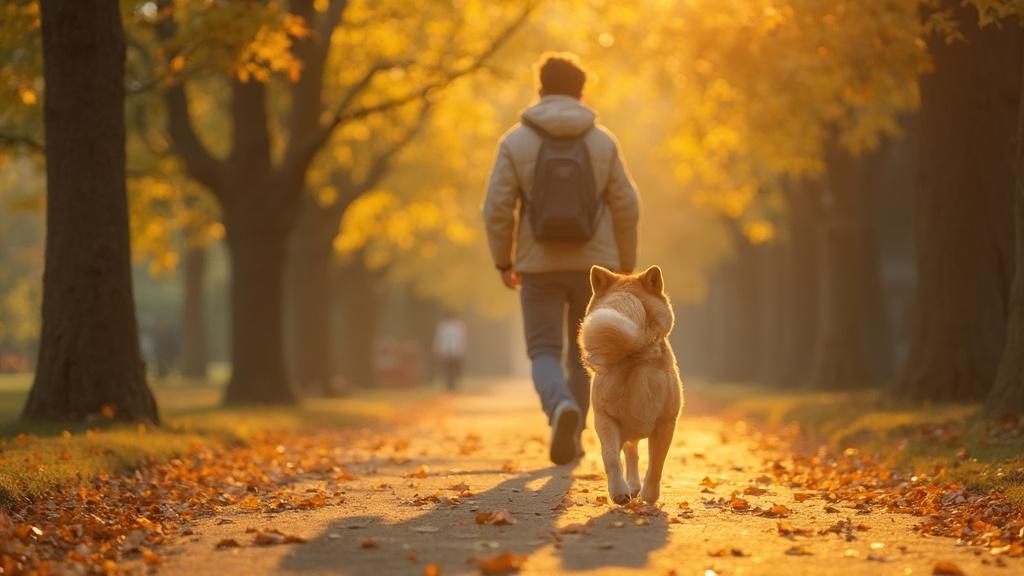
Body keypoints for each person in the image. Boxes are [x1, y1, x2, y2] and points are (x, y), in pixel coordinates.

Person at [482, 52, 640, 465]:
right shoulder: (602, 140)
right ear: (581, 92)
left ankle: (559, 409)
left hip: (538, 266)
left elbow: (497, 206)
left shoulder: (515, 141)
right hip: (596, 271)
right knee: (588, 354)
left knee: (544, 350)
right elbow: (627, 205)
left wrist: (504, 260)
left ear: (540, 90)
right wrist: (624, 265)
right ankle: (577, 428)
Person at [433, 310, 467, 391]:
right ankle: (449, 385)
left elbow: (461, 339)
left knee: (453, 369)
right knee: (448, 369)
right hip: (448, 351)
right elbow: (439, 338)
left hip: (453, 351)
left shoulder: (456, 326)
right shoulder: (445, 326)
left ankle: (453, 385)